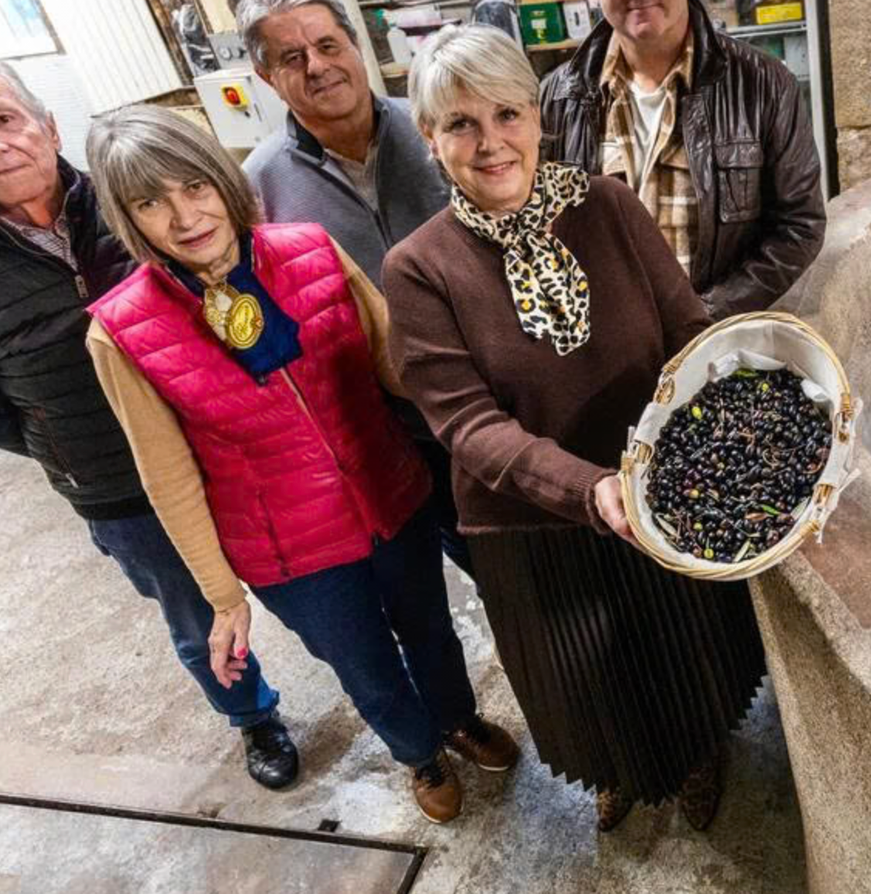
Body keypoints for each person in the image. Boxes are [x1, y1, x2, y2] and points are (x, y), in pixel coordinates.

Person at [83, 104, 518, 824]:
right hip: (291, 554)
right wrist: (224, 597)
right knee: (365, 666)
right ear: (128, 219)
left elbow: (394, 361)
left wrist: (492, 393)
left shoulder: (311, 248)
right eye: (149, 203)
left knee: (431, 628)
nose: (185, 217)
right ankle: (420, 754)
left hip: (392, 494)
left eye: (194, 186)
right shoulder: (121, 331)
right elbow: (169, 478)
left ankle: (457, 720)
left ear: (222, 179)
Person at [384, 25, 767, 832]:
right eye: (461, 124)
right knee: (584, 678)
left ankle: (697, 756)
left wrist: (736, 408)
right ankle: (617, 773)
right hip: (532, 522)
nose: (491, 142)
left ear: (537, 116)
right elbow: (467, 423)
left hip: (660, 488)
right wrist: (588, 489)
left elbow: (687, 328)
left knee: (686, 647)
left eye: (507, 113)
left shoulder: (609, 207)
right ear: (428, 137)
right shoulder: (420, 267)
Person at [0, 62, 297, 790]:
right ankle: (252, 714)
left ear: (48, 127)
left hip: (224, 446)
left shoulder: (132, 203)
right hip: (113, 487)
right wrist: (56, 440)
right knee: (196, 621)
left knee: (307, 570)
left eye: (5, 120)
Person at [234, 0, 470, 576]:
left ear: (355, 44)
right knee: (468, 565)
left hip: (490, 399)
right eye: (292, 57)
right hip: (389, 435)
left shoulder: (438, 130)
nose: (317, 66)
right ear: (266, 76)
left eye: (327, 45)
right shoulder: (259, 187)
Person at [540, 0, 825, 319]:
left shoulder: (764, 83)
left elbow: (799, 226)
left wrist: (703, 317)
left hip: (712, 337)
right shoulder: (558, 96)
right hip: (602, 338)